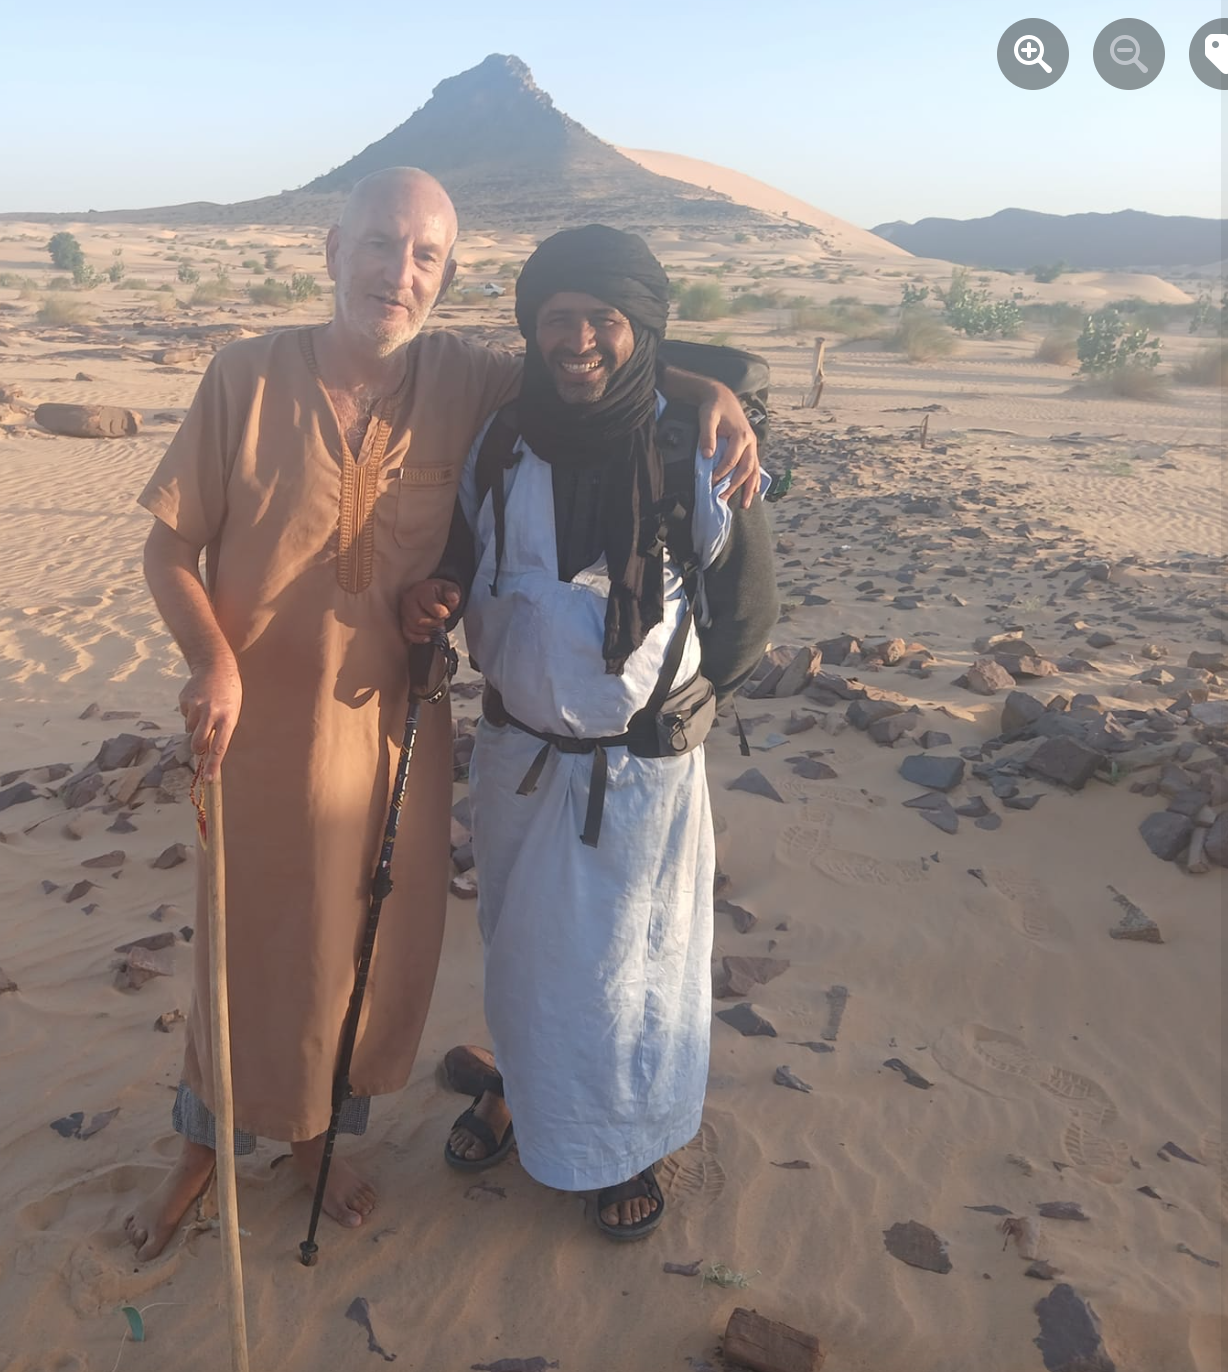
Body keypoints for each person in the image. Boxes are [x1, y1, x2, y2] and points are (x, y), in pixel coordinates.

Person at [127, 169, 762, 1260]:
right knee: (244, 940)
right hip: (259, 726)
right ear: (333, 248)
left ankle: (320, 1140)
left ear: (449, 276)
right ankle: (203, 1143)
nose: (397, 272)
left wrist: (722, 391)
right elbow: (167, 546)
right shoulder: (245, 375)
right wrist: (211, 664)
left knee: (364, 947)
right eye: (379, 244)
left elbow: (596, 357)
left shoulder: (467, 381)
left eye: (424, 257)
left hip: (392, 730)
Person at [399, 224, 778, 1240]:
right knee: (524, 953)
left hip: (642, 768)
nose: (578, 340)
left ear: (640, 327)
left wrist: (706, 696)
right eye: (556, 318)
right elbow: (459, 557)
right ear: (532, 326)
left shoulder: (691, 440)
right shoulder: (503, 436)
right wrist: (435, 604)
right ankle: (518, 1093)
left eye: (602, 319)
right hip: (520, 754)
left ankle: (629, 1139)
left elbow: (748, 601)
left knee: (634, 963)